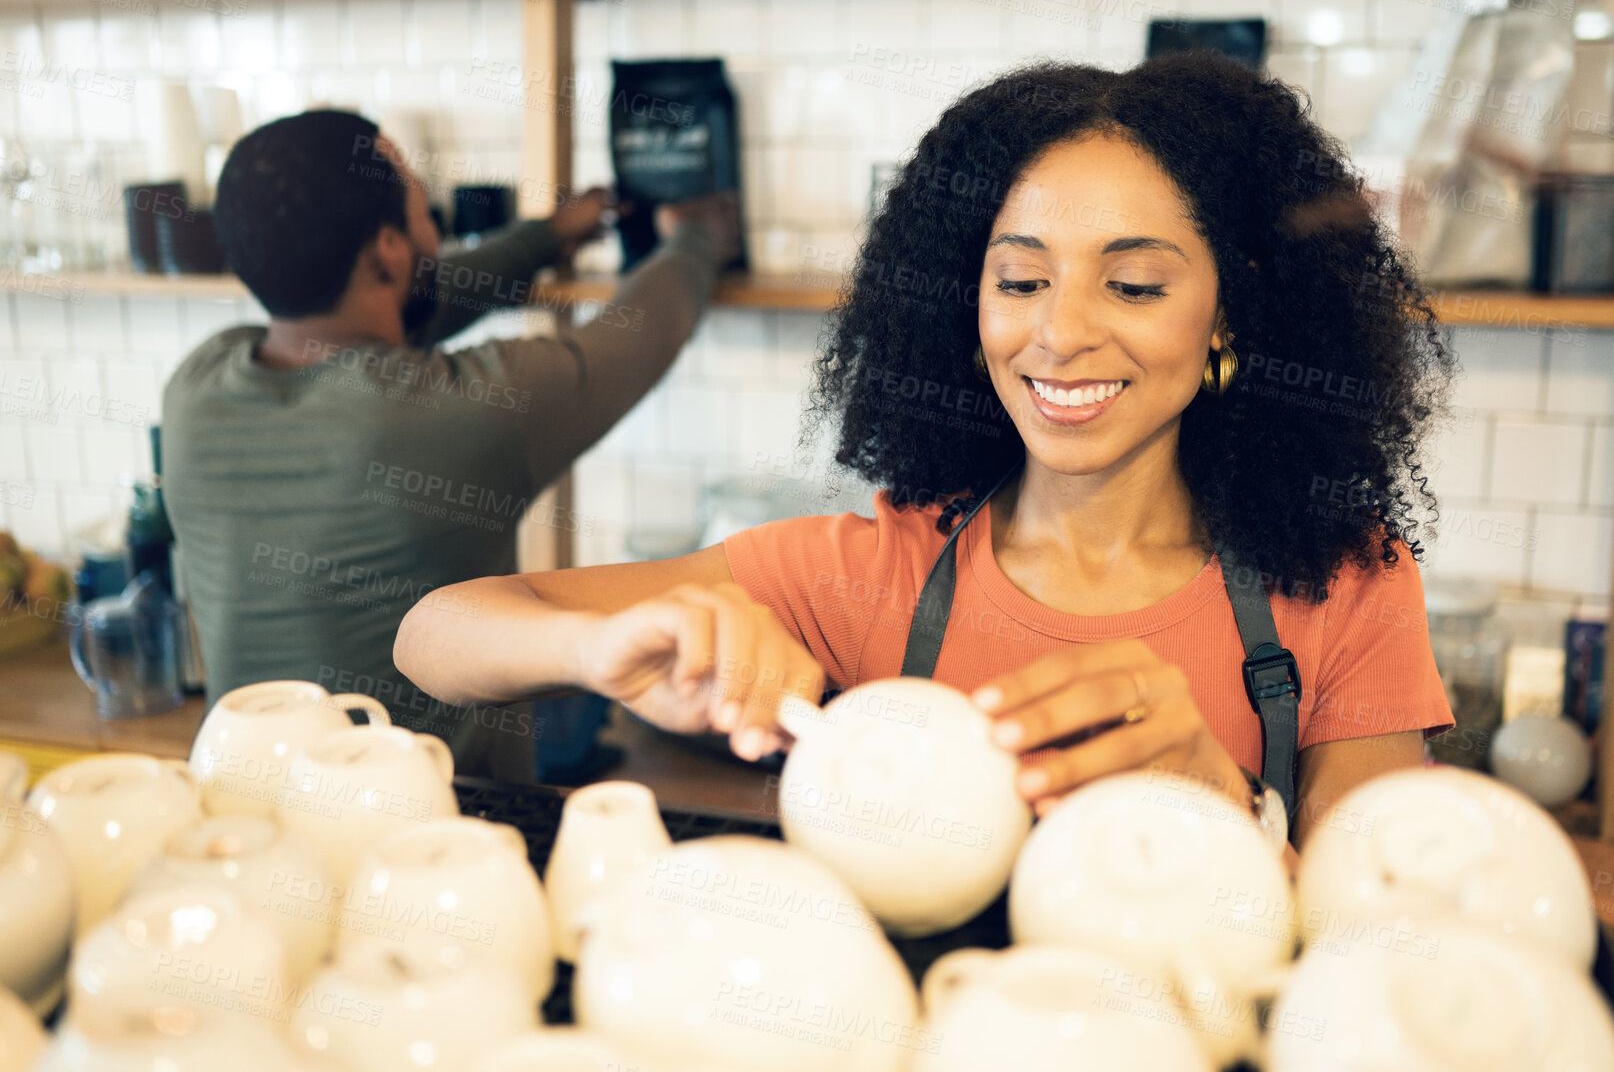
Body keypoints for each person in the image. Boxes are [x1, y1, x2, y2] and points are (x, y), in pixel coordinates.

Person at [393, 54, 1457, 850]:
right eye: (1021, 279)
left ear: (1231, 315)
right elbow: (434, 635)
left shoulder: (1345, 585)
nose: (1061, 332)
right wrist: (607, 648)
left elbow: (1380, 947)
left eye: (1133, 285)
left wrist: (1223, 801)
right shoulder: (871, 574)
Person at [161, 108, 739, 782]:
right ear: (389, 250)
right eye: (421, 211)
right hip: (434, 827)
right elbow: (634, 338)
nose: (433, 226)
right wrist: (696, 237)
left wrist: (544, 238)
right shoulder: (462, 414)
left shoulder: (195, 388)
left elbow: (402, 312)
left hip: (239, 810)